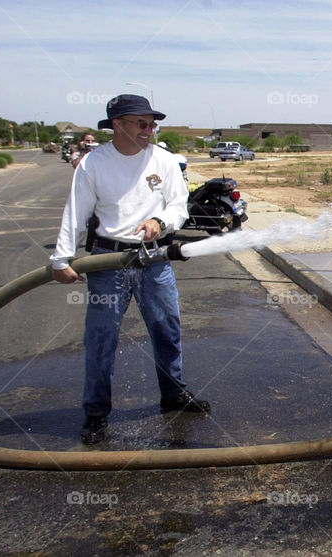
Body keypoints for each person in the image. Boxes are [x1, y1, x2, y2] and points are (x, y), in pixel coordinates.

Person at [51, 94, 210, 445]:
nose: (149, 129)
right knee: (101, 338)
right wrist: (62, 259)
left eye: (152, 124)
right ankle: (95, 413)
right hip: (108, 261)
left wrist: (160, 220)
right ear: (117, 124)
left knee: (167, 330)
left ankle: (173, 395)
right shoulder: (94, 164)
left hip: (154, 260)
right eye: (142, 123)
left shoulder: (165, 161)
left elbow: (179, 206)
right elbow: (76, 213)